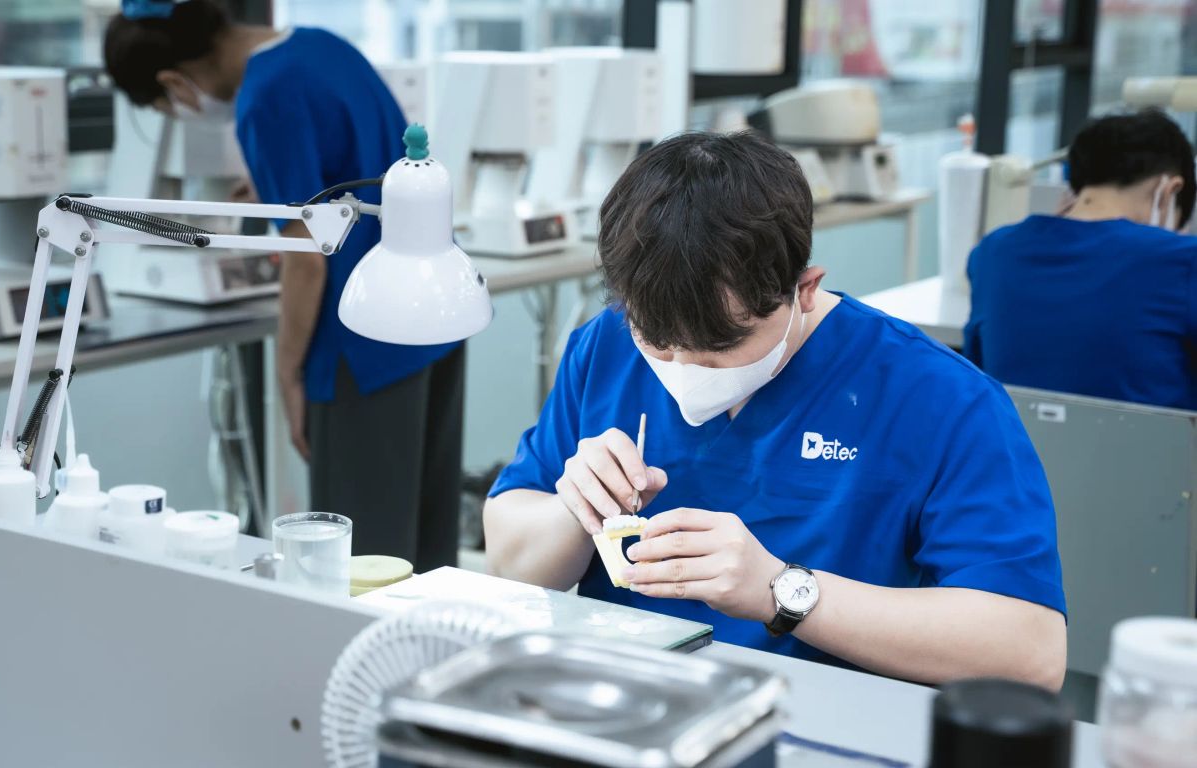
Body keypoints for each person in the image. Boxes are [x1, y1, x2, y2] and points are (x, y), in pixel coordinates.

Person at [484, 131, 1067, 688]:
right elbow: (511, 565)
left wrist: (780, 591)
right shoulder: (606, 346)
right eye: (658, 345)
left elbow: (1029, 652)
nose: (684, 371)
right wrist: (573, 511)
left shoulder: (938, 399)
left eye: (720, 348)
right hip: (624, 699)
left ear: (804, 288)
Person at [104, 0, 464, 571]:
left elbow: (307, 260)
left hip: (362, 340)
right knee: (426, 553)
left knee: (363, 562)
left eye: (166, 105)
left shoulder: (264, 95)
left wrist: (287, 373)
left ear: (174, 81)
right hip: (432, 315)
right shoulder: (325, 45)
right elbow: (367, 168)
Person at [963, 110, 1197, 409]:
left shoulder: (993, 253)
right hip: (1149, 453)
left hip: (1018, 452)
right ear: (1169, 191)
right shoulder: (1183, 259)